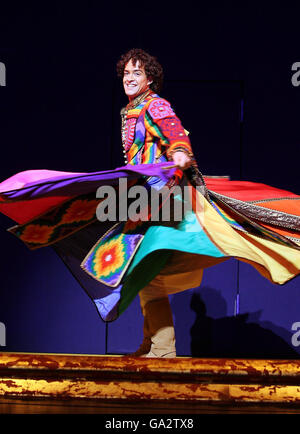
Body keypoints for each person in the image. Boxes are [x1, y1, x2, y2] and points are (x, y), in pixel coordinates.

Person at [0, 48, 300, 359]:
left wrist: (180, 153)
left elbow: (173, 133)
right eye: (126, 74)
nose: (129, 79)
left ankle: (161, 349)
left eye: (136, 74)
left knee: (147, 269)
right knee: (143, 273)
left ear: (150, 79)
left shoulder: (155, 105)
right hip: (141, 199)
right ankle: (154, 345)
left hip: (161, 200)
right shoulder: (130, 110)